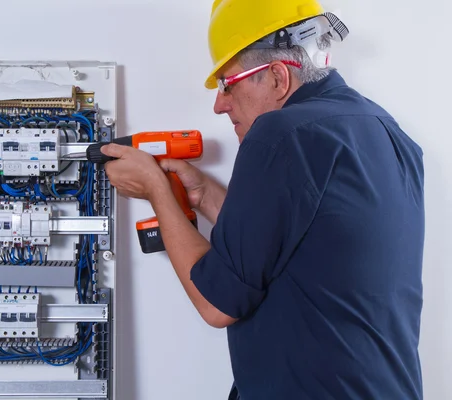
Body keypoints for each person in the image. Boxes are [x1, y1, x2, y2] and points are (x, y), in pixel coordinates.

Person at [101, 0, 425, 398]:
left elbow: (216, 303)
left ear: (276, 77)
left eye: (228, 83)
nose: (219, 104)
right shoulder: (384, 130)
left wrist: (156, 190)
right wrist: (202, 193)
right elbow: (294, 241)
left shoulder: (280, 134)